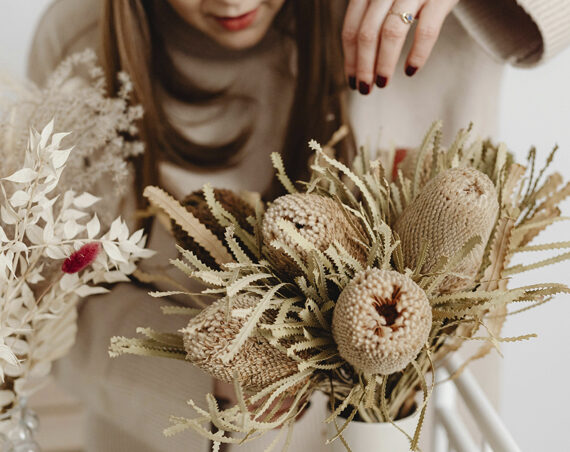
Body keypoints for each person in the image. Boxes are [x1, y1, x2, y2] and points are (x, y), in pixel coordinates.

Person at [27, 0, 570, 451]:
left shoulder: (439, 21)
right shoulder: (82, 45)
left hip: (435, 430)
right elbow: (48, 304)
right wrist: (213, 390)